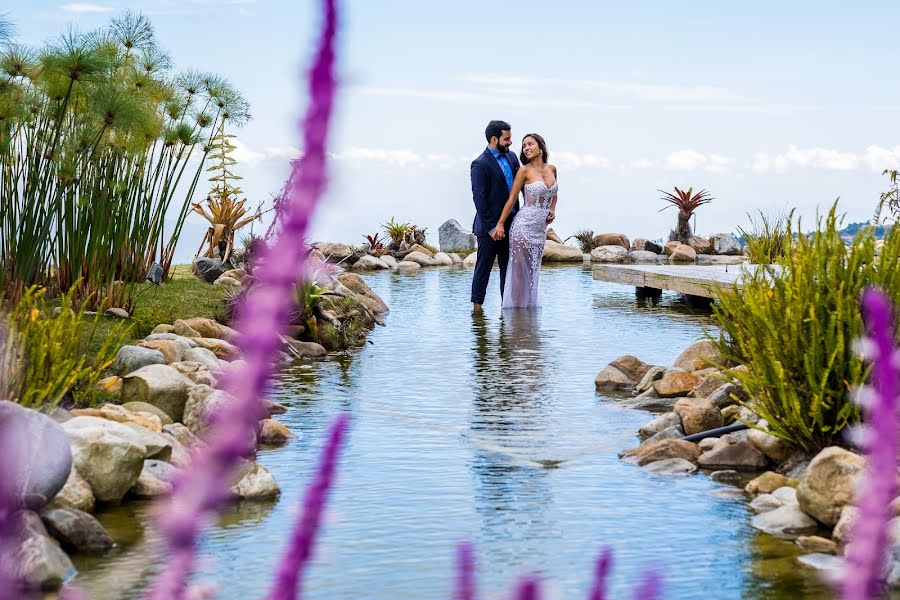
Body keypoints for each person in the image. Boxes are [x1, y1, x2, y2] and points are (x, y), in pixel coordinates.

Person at [493, 133, 558, 309]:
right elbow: (512, 199)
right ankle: (516, 313)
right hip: (523, 228)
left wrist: (552, 209)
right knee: (519, 273)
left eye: (530, 144)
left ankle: (528, 313)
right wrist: (500, 224)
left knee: (533, 270)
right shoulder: (524, 171)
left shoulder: (552, 169)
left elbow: (554, 194)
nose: (526, 148)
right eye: (523, 146)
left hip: (539, 230)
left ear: (541, 147)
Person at [470, 120, 520, 311]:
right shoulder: (480, 164)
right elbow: (479, 199)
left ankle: (505, 308)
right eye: (506, 139)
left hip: (511, 225)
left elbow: (521, 187)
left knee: (508, 271)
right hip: (488, 228)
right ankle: (477, 310)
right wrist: (492, 227)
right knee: (483, 269)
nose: (510, 142)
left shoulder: (513, 158)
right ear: (494, 139)